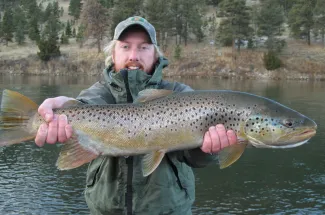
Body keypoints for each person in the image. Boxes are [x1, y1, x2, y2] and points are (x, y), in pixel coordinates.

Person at [35, 16, 238, 215]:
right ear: (113, 54)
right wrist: (60, 110)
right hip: (105, 210)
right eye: (125, 47)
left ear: (155, 55)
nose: (134, 55)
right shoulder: (98, 93)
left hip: (169, 210)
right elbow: (84, 105)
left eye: (143, 47)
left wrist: (209, 150)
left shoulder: (181, 95)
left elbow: (194, 158)